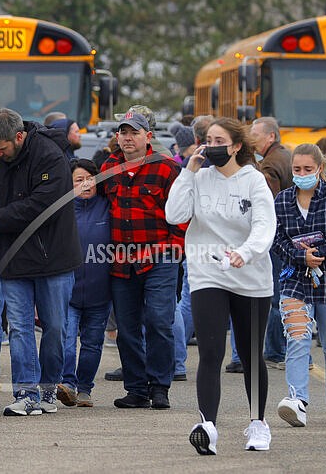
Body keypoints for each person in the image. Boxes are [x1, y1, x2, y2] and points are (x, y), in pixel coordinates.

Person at [165, 117, 276, 454]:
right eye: (207, 139)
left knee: (250, 353)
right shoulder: (198, 178)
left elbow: (264, 225)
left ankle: (258, 424)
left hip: (251, 277)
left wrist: (246, 253)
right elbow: (174, 214)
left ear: (236, 146)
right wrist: (188, 172)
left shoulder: (253, 181)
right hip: (207, 273)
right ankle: (207, 426)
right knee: (211, 352)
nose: (211, 145)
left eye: (218, 140)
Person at [0, 108, 81, 416]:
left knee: (54, 328)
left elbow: (43, 204)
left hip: (54, 256)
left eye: (3, 148)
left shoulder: (50, 156)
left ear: (19, 137)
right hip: (13, 256)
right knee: (21, 328)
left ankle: (49, 388)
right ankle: (26, 392)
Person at [101, 111, 183, 410]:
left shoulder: (166, 168)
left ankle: (160, 387)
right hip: (120, 259)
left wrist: (176, 248)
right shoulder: (108, 167)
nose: (127, 137)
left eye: (134, 132)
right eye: (123, 132)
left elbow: (181, 211)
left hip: (160, 256)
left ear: (148, 136)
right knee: (127, 327)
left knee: (160, 321)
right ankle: (136, 388)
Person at [273, 143, 326, 427]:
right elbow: (276, 239)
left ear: (319, 168)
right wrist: (300, 256)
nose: (302, 174)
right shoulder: (283, 200)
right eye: (297, 169)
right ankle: (297, 400)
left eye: (308, 169)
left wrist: (321, 254)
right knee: (297, 338)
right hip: (295, 280)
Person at [57, 158, 111, 407]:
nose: (86, 184)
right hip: (68, 291)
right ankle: (67, 384)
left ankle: (85, 389)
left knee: (92, 343)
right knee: (66, 342)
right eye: (79, 180)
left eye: (91, 179)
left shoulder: (107, 206)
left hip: (100, 292)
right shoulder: (61, 209)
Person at [250, 116, 294, 371]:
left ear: (271, 137)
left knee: (277, 295)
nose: (251, 139)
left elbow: (269, 203)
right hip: (287, 236)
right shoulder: (283, 157)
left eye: (256, 134)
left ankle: (277, 351)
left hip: (277, 238)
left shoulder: (270, 165)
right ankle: (278, 349)